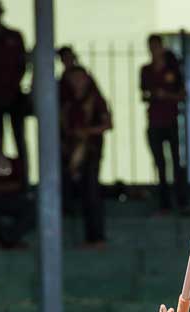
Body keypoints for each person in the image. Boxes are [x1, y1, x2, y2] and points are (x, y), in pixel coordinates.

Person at [61, 65, 111, 246]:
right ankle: (89, 237)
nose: (76, 82)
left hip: (91, 150)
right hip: (72, 151)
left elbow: (107, 124)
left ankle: (97, 237)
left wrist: (87, 131)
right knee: (81, 193)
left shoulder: (95, 99)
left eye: (79, 78)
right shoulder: (68, 100)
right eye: (73, 79)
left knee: (92, 192)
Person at [140, 34, 187, 213]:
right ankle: (164, 203)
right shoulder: (146, 70)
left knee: (176, 161)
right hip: (154, 121)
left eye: (156, 47)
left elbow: (182, 94)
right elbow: (143, 94)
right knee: (160, 163)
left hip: (170, 121)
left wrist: (166, 95)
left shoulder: (173, 70)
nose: (154, 51)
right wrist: (153, 95)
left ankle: (181, 200)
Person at [0, 0, 27, 187]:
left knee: (19, 138)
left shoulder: (14, 36)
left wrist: (13, 85)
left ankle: (22, 181)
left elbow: (22, 64)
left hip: (14, 95)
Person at [0, 126, 33, 247]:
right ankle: (9, 241)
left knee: (32, 207)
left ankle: (7, 240)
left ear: (1, 140)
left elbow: (18, 185)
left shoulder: (13, 161)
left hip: (12, 199)